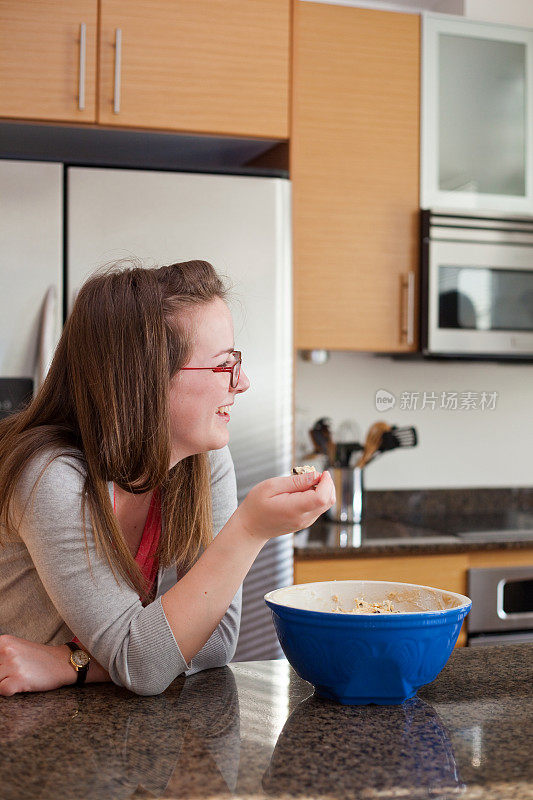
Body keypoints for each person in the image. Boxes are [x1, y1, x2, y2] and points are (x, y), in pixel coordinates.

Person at [0, 260, 334, 696]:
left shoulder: (202, 459)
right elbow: (145, 663)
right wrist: (250, 530)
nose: (243, 382)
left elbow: (213, 643)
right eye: (223, 365)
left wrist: (72, 662)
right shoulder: (49, 476)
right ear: (144, 380)